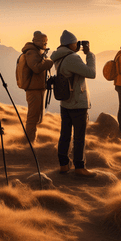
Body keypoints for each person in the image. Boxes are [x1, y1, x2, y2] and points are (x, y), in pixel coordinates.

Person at [50, 30, 96, 177]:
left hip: (65, 102)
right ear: (70, 44)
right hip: (77, 103)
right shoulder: (72, 58)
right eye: (76, 43)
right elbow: (91, 73)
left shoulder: (59, 57)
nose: (77, 45)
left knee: (65, 135)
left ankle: (64, 164)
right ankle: (79, 167)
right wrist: (89, 54)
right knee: (79, 137)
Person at [18, 31, 54, 142]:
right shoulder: (31, 52)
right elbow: (37, 68)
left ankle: (31, 140)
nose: (46, 45)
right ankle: (29, 143)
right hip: (33, 89)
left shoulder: (36, 51)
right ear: (39, 41)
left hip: (38, 88)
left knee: (36, 116)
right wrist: (49, 62)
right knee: (33, 117)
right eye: (45, 42)